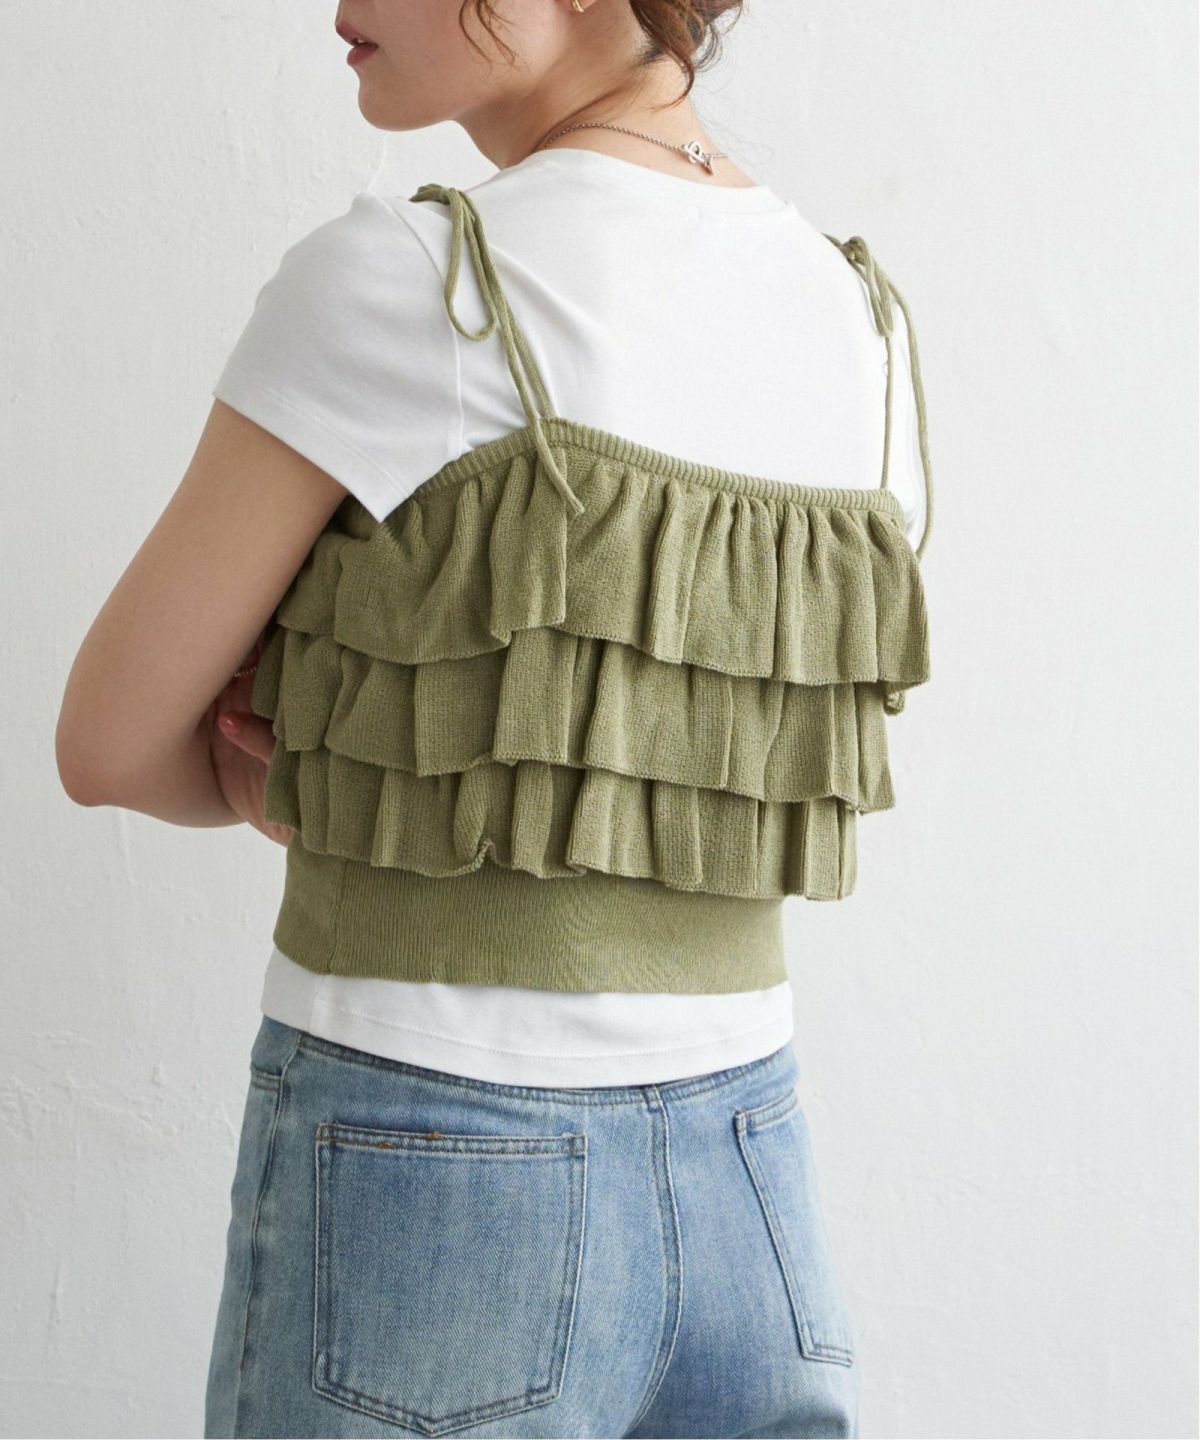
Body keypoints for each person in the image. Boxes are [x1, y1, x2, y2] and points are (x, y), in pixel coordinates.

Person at [56, 1, 933, 1435]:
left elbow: (106, 745)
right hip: (752, 1164)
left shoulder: (414, 278)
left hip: (435, 1152)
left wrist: (313, 773)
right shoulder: (850, 308)